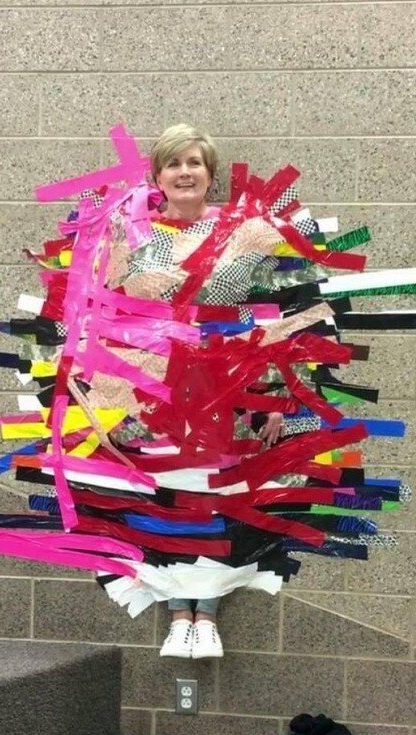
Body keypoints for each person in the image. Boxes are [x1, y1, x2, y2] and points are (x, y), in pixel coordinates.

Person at [150, 125, 284, 660]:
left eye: (194, 163)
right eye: (173, 163)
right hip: (157, 387)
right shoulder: (140, 238)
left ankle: (205, 614)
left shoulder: (238, 235)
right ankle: (177, 613)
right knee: (167, 493)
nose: (184, 172)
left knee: (217, 492)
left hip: (226, 385)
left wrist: (272, 394)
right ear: (158, 176)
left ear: (210, 175)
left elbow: (270, 315)